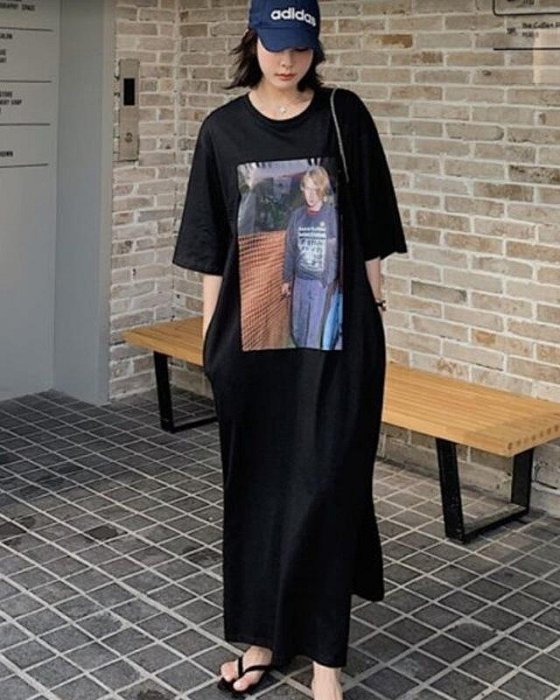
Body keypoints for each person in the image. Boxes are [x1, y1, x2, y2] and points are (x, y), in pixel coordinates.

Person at [172, 1, 406, 698]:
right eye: (276, 45)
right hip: (252, 344)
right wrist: (211, 345)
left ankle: (327, 662)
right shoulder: (222, 130)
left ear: (315, 47)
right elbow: (211, 248)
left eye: (300, 47)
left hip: (337, 341)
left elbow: (373, 227)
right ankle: (262, 638)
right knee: (258, 491)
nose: (287, 60)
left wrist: (376, 313)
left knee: (330, 489)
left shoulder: (343, 115)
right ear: (253, 41)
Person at [281, 166, 341, 350]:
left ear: (322, 190)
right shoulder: (297, 216)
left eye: (315, 189)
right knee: (298, 328)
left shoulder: (332, 216)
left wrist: (329, 280)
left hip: (319, 284)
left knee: (313, 332)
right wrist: (286, 279)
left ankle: (311, 362)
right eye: (307, 188)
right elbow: (290, 249)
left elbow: (337, 251)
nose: (311, 195)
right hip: (300, 281)